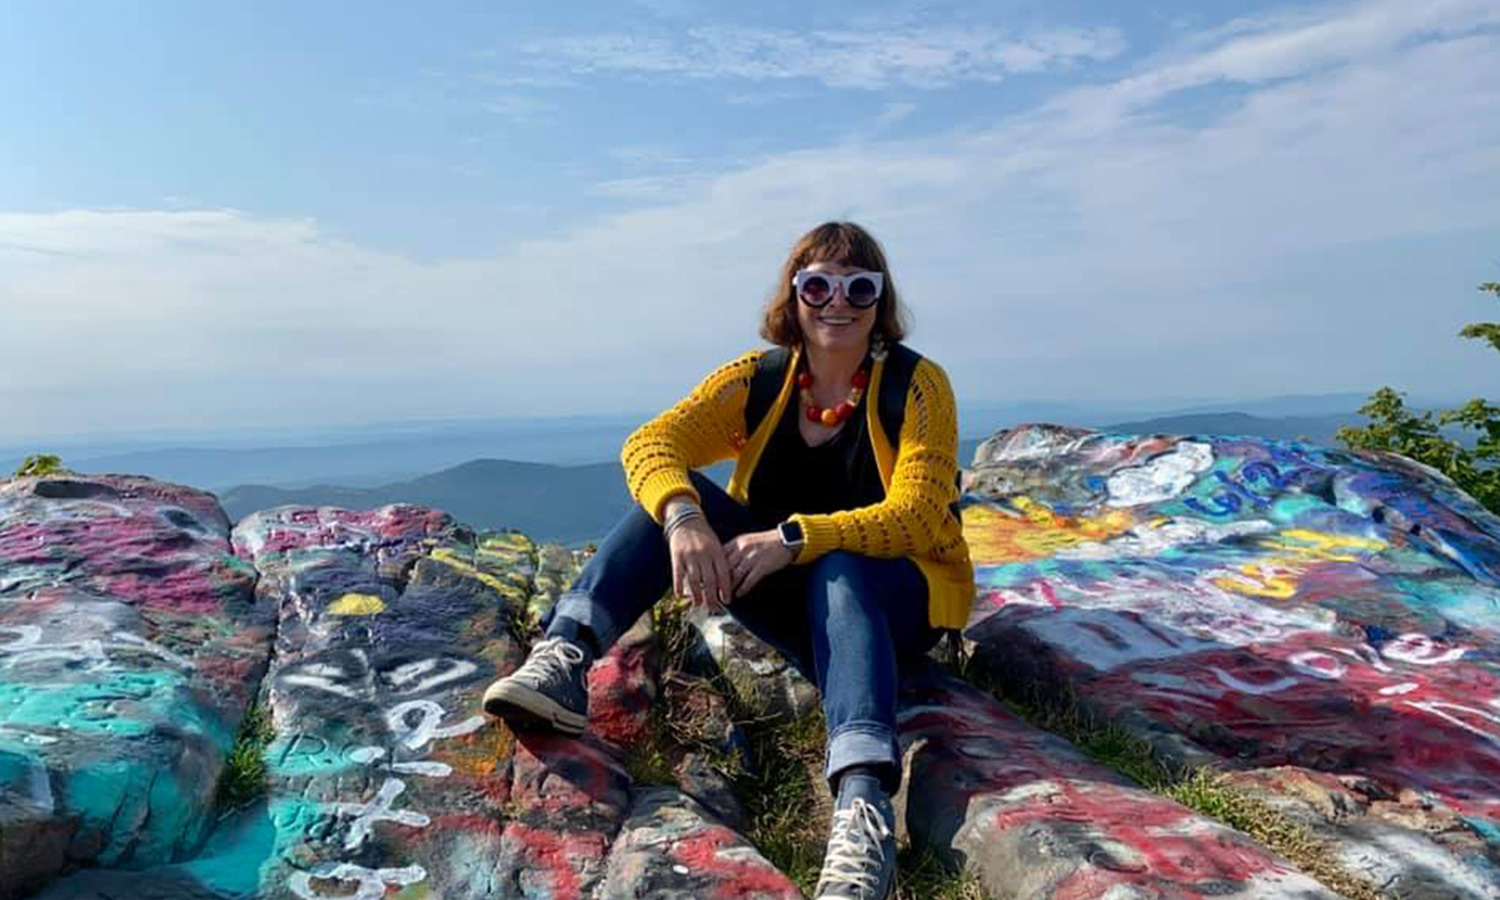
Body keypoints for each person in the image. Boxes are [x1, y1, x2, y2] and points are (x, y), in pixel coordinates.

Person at [482, 221, 974, 900]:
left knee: (842, 564)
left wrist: (793, 539)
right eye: (818, 285)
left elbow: (918, 514)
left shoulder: (918, 388)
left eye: (861, 287)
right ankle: (566, 656)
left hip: (895, 609)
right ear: (794, 296)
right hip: (795, 609)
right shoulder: (763, 379)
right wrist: (684, 518)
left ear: (881, 301)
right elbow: (652, 443)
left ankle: (862, 812)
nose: (839, 301)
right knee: (674, 503)